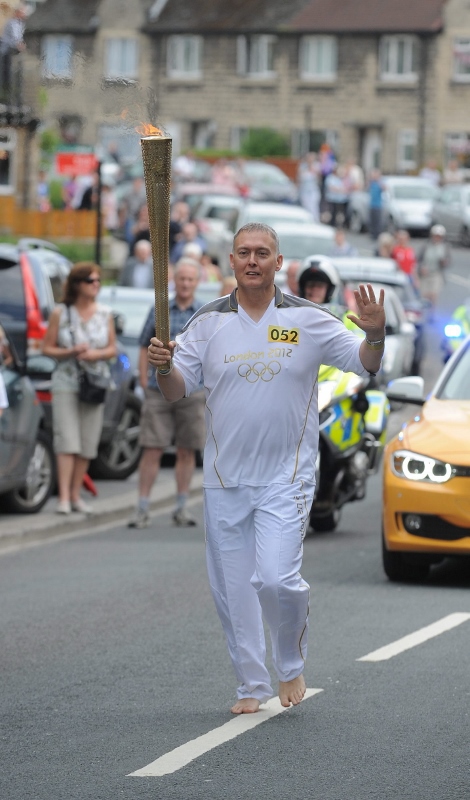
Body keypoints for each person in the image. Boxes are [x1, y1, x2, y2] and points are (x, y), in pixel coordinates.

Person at [147, 222, 385, 714]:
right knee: (233, 592)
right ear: (231, 262)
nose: (252, 260)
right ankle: (251, 686)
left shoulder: (307, 318)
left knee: (276, 580)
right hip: (224, 478)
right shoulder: (207, 323)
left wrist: (376, 333)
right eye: (243, 253)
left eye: (262, 253)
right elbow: (176, 391)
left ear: (279, 263)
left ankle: (290, 664)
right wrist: (163, 366)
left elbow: (364, 363)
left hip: (287, 476)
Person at [127, 259, 206, 529]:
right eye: (181, 279)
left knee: (186, 449)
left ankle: (181, 507)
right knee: (152, 447)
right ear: (175, 281)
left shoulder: (204, 313)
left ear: (197, 282)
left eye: (190, 280)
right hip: (157, 388)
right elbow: (142, 345)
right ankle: (142, 508)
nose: (185, 284)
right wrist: (142, 378)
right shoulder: (160, 309)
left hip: (192, 389)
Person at [41, 263, 117, 515]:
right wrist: (70, 352)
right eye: (90, 281)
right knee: (66, 440)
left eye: (98, 280)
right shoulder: (61, 313)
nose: (96, 284)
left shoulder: (105, 313)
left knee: (87, 442)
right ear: (77, 285)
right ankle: (63, 497)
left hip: (95, 383)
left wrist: (95, 354)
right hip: (66, 382)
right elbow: (47, 348)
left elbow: (112, 350)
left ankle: (75, 495)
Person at [417, 224, 451, 315]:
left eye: (439, 236)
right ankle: (423, 313)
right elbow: (418, 259)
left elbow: (448, 261)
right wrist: (421, 268)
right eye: (436, 236)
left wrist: (444, 262)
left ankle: (431, 313)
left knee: (433, 294)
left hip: (436, 273)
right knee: (424, 295)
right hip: (425, 273)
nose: (437, 238)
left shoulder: (445, 247)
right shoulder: (426, 245)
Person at [0, 4, 26, 102]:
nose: (24, 15)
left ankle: (10, 96)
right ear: (17, 13)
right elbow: (15, 39)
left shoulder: (20, 24)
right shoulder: (12, 23)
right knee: (6, 74)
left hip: (12, 52)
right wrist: (20, 45)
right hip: (6, 52)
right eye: (22, 12)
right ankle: (6, 97)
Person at [297, 152, 321, 222]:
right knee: (306, 206)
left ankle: (315, 220)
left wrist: (311, 167)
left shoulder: (316, 166)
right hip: (304, 190)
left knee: (314, 206)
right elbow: (300, 177)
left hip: (313, 189)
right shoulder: (302, 166)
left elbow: (318, 176)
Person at [368, 169, 383, 240]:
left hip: (377, 205)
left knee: (377, 221)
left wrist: (378, 181)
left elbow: (384, 188)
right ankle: (372, 234)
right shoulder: (372, 183)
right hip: (372, 205)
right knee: (372, 221)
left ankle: (377, 234)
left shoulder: (379, 183)